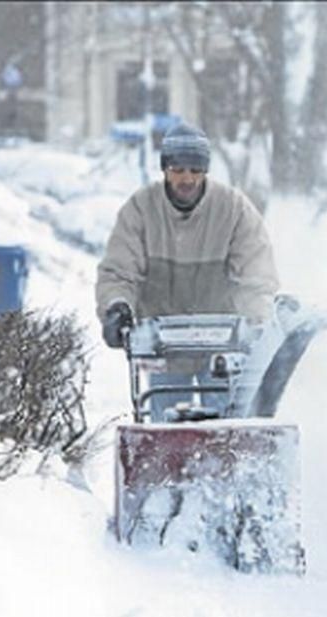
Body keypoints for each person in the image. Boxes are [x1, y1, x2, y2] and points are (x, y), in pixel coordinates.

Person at [95, 121, 280, 418]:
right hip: (163, 346)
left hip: (222, 343)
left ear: (205, 171)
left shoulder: (233, 209)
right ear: (165, 169)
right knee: (164, 427)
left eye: (195, 170)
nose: (187, 178)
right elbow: (119, 271)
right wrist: (116, 307)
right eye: (178, 170)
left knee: (227, 425)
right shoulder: (141, 210)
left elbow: (255, 275)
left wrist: (257, 319)